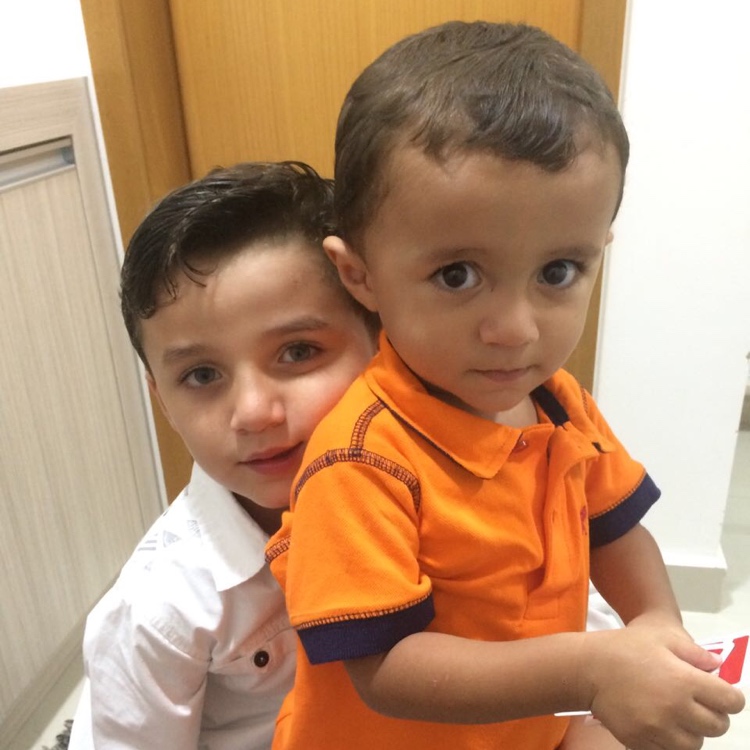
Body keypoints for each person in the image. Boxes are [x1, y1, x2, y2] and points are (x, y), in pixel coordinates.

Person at [265, 21, 746, 750]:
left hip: (530, 728)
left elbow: (616, 532)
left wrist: (656, 631)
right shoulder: (361, 460)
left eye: (558, 271)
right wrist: (589, 670)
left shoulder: (559, 403)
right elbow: (385, 669)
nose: (516, 329)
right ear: (358, 274)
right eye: (457, 275)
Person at [68, 161, 378, 750]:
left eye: (298, 351)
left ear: (381, 342)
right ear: (163, 401)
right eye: (203, 375)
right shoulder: (161, 607)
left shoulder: (439, 490)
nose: (254, 412)